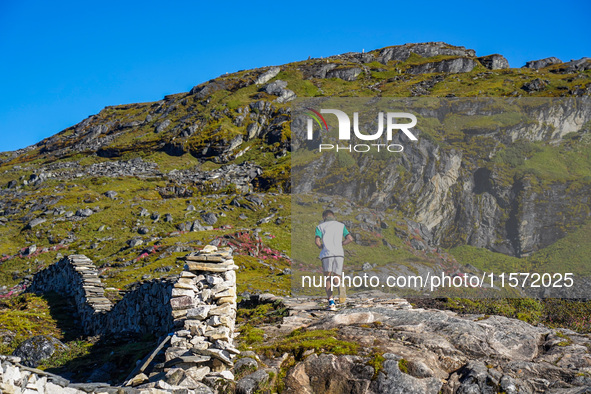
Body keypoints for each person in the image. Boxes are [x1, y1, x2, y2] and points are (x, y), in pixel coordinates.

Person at [315, 209, 354, 310]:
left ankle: (331, 302)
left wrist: (321, 246)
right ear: (333, 216)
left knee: (327, 278)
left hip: (327, 254)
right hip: (339, 253)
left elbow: (317, 241)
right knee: (336, 276)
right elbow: (350, 239)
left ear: (324, 217)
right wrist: (341, 244)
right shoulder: (341, 225)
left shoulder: (320, 227)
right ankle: (339, 283)